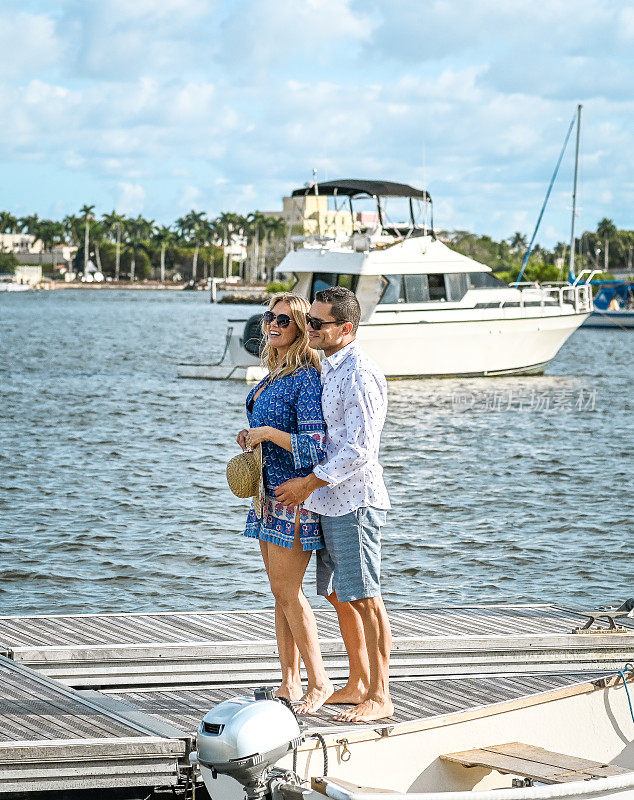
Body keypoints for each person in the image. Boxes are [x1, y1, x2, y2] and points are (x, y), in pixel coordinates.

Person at [275, 286, 393, 723]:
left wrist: (307, 483)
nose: (309, 329)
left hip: (355, 501)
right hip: (329, 500)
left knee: (366, 599)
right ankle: (359, 682)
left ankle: (381, 695)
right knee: (338, 594)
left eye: (318, 323)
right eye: (309, 321)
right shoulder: (329, 366)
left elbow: (361, 449)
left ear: (346, 329)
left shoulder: (360, 372)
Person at [237, 292, 333, 714]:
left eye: (284, 320)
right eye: (269, 317)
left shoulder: (307, 378)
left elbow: (316, 446)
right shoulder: (275, 373)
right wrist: (250, 435)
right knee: (279, 594)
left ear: (299, 328)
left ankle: (320, 682)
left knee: (289, 592)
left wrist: (268, 435)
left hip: (295, 495)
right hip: (267, 495)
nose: (273, 324)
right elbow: (267, 427)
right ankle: (289, 682)